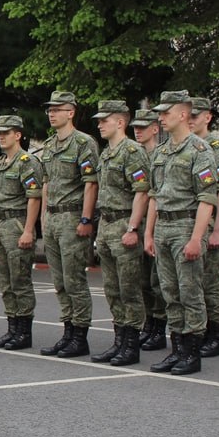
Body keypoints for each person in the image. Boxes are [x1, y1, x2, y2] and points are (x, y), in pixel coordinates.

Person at [145, 90, 217, 375]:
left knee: (190, 292)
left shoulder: (199, 150)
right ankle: (177, 349)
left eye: (166, 112)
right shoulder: (162, 152)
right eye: (160, 113)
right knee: (169, 292)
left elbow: (207, 198)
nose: (161, 118)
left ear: (183, 114)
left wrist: (196, 238)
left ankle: (192, 352)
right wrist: (148, 234)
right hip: (163, 227)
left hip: (186, 226)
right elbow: (154, 195)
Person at [38, 90, 100, 358]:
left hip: (73, 217)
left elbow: (90, 184)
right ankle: (67, 331)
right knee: (60, 281)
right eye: (50, 109)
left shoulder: (84, 143)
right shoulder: (50, 146)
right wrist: (42, 217)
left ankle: (80, 335)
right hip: (52, 218)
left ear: (71, 112)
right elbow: (46, 183)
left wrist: (86, 219)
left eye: (57, 109)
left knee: (74, 279)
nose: (52, 113)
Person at [90, 100, 151, 365]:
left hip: (124, 223)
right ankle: (119, 340)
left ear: (120, 122)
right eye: (99, 120)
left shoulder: (132, 151)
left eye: (105, 120)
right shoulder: (106, 153)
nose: (100, 124)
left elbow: (142, 191)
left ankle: (131, 344)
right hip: (106, 225)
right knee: (112, 289)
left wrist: (133, 227)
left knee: (129, 289)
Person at [0, 116, 42, 350]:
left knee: (20, 280)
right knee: (5, 281)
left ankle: (23, 331)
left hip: (16, 223)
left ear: (17, 135)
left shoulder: (27, 161)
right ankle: (12, 327)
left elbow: (33, 198)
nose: (1, 136)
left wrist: (29, 230)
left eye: (6, 133)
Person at [190, 96, 219, 358]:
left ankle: (215, 336)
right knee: (192, 283)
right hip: (191, 224)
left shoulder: (216, 147)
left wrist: (218, 229)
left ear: (208, 117)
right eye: (189, 114)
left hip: (210, 227)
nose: (191, 119)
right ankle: (198, 331)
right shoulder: (186, 146)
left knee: (210, 282)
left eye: (197, 115)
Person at [131, 109, 168, 351]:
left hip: (156, 225)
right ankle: (149, 325)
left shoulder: (162, 155)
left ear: (155, 128)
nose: (138, 131)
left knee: (157, 281)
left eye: (143, 127)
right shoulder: (135, 155)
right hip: (139, 224)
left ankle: (159, 328)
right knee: (142, 281)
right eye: (135, 126)